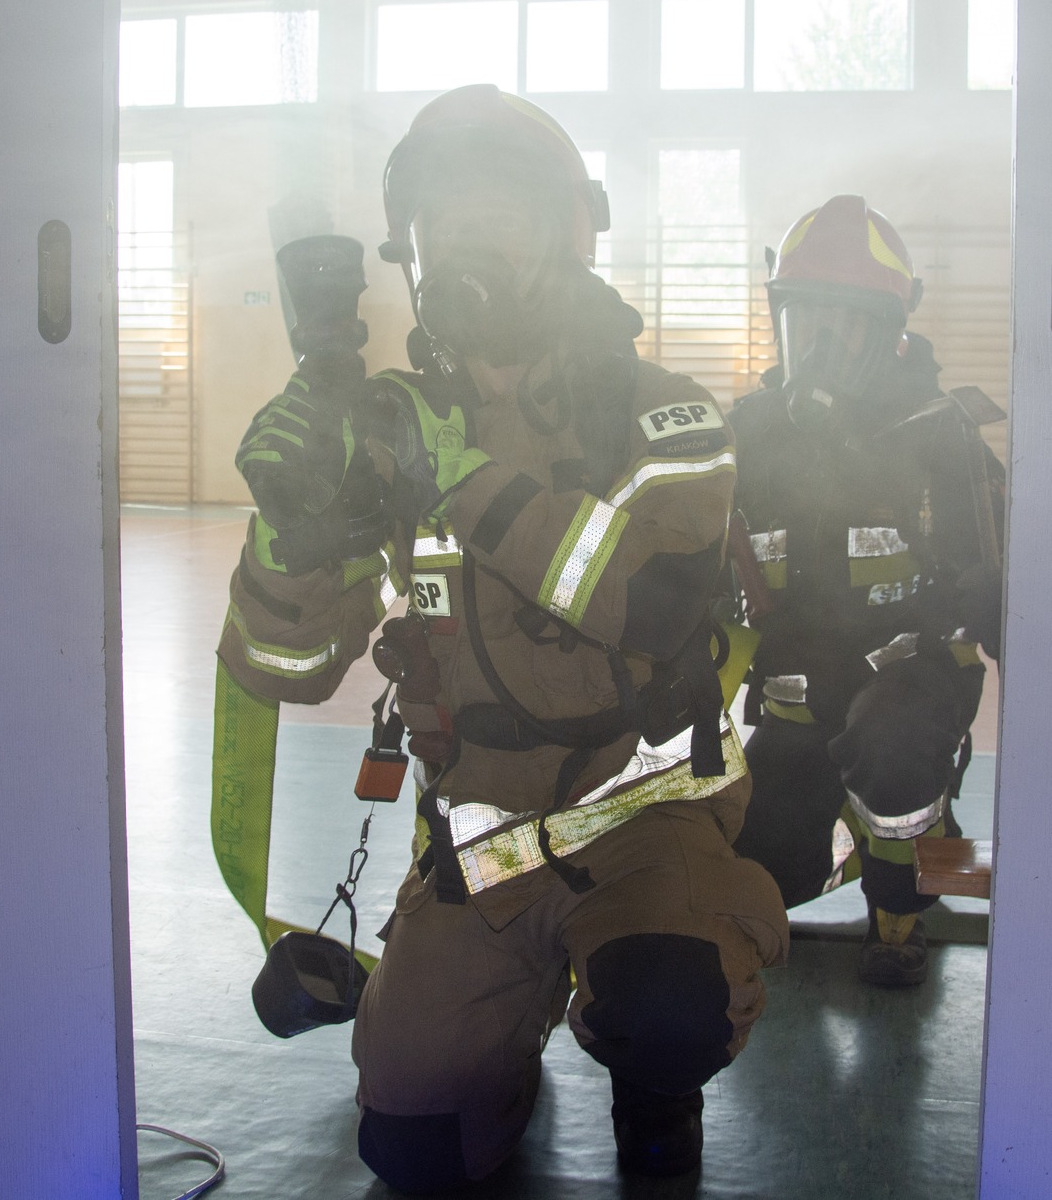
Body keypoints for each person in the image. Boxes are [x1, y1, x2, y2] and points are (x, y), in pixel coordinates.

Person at [219, 84, 786, 1191]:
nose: (471, 250)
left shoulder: (662, 411)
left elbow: (654, 600)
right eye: (447, 227)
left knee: (666, 1004)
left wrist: (460, 475)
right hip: (483, 843)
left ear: (567, 240)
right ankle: (499, 1045)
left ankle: (653, 1083)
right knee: (414, 1149)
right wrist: (291, 525)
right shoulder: (388, 429)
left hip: (647, 817)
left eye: (503, 222)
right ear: (413, 255)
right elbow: (290, 667)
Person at [727, 195, 1004, 989]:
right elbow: (709, 587)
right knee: (753, 878)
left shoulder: (939, 436)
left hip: (906, 691)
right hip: (798, 708)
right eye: (804, 320)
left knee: (889, 753)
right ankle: (878, 835)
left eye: (843, 325)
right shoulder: (749, 436)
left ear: (890, 332)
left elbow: (1003, 580)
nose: (819, 346)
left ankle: (903, 908)